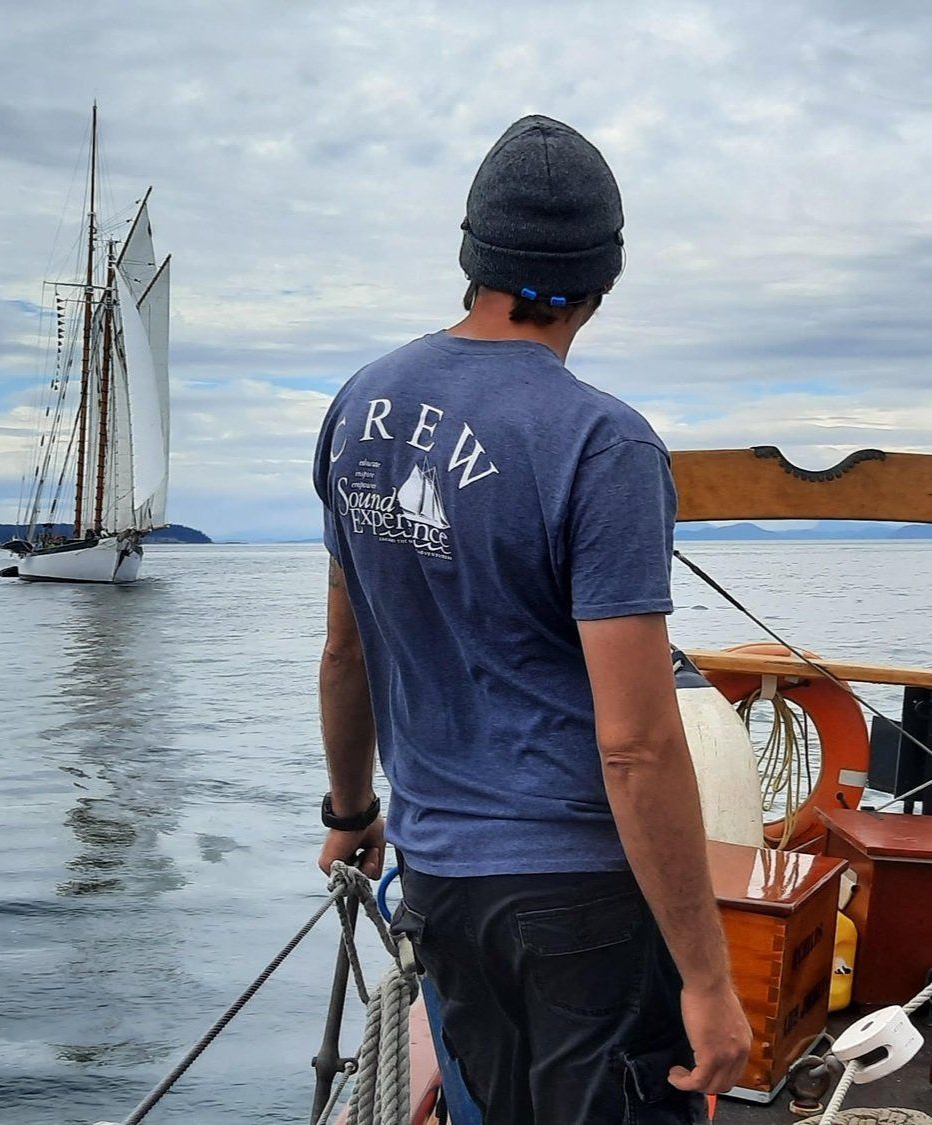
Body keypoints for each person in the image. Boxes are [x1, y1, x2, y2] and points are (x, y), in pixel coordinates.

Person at [312, 116, 750, 1125]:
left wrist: (349, 811)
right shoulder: (601, 443)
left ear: (473, 257)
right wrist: (706, 978)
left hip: (441, 881)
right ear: (601, 280)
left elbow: (345, 648)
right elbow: (636, 745)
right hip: (581, 900)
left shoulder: (358, 408)